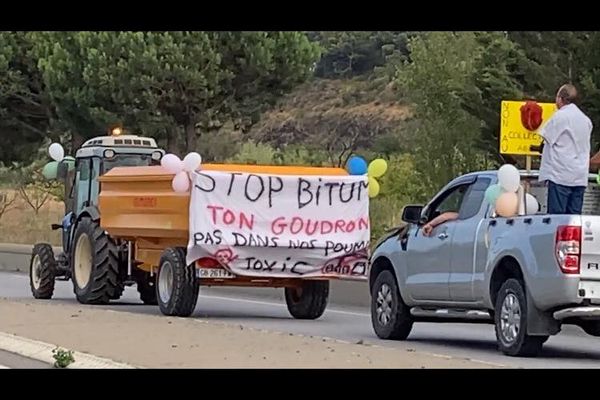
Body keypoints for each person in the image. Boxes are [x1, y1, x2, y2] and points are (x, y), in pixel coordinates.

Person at [539, 84, 592, 215]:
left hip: (560, 175)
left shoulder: (560, 116)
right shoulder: (586, 120)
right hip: (580, 175)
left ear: (561, 98)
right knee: (574, 219)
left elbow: (546, 137)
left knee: (557, 220)